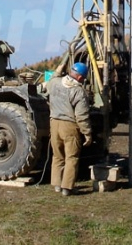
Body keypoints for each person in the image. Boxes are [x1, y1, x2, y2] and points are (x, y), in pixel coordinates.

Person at [47, 62, 92, 196]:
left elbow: (52, 79)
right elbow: (82, 116)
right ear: (80, 77)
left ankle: (57, 185)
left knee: (57, 156)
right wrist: (87, 133)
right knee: (71, 157)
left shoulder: (55, 83)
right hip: (69, 126)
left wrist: (58, 69)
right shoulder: (78, 91)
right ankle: (67, 188)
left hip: (54, 123)